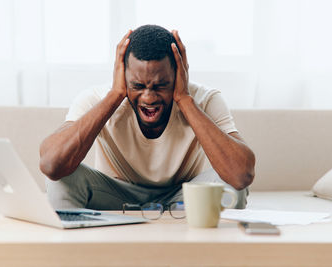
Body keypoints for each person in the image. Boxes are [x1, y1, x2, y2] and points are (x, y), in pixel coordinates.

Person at [39, 25, 255, 211]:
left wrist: (184, 100)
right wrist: (115, 96)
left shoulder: (205, 100)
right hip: (116, 197)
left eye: (161, 85)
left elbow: (241, 175)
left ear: (179, 75)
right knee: (61, 181)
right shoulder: (95, 99)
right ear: (122, 74)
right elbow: (52, 165)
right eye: (138, 85)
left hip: (183, 198)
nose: (149, 97)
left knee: (231, 187)